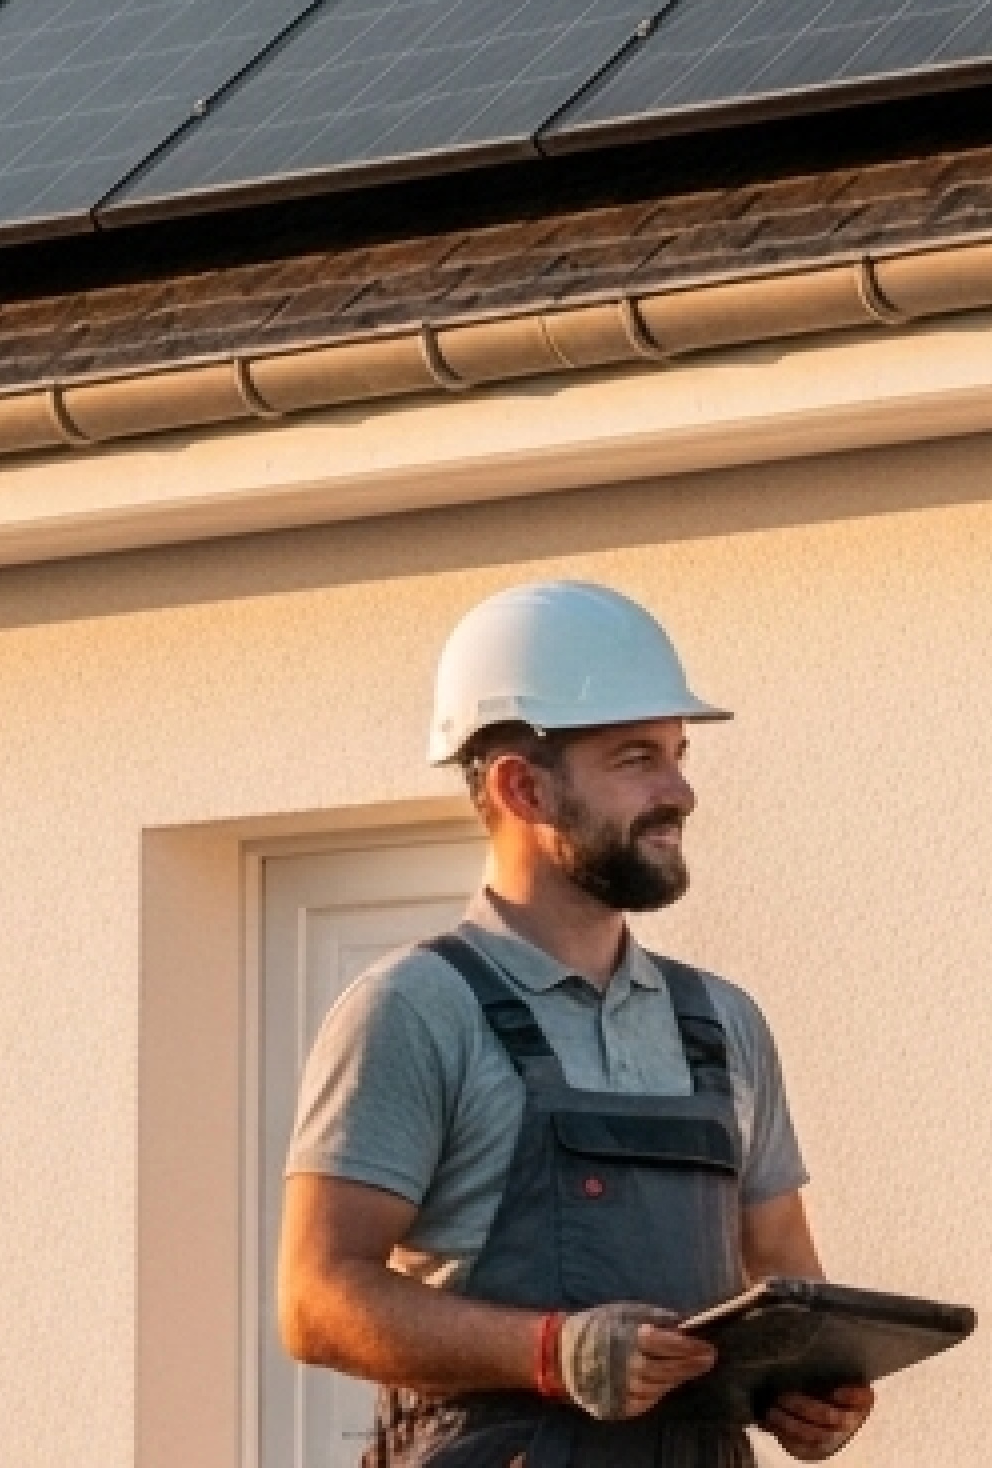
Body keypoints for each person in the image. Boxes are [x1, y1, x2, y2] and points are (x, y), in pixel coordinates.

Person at [282, 579, 879, 1465]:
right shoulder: (414, 1010)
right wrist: (551, 1352)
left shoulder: (722, 1023)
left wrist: (808, 1383)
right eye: (637, 758)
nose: (681, 791)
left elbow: (783, 1269)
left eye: (680, 754)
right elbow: (317, 1299)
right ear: (524, 789)